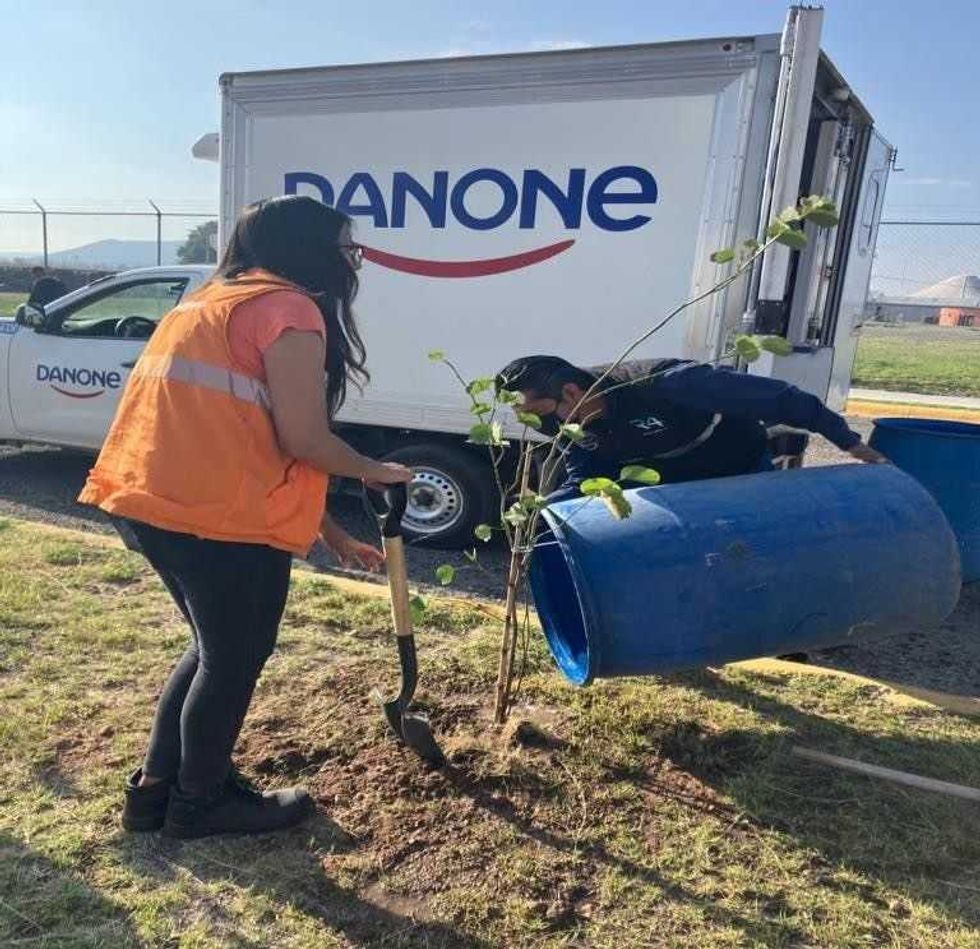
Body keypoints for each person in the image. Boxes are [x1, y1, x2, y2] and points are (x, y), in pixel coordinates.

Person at [78, 195, 412, 839]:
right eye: (347, 246)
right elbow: (304, 441)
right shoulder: (287, 309)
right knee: (232, 659)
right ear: (308, 248)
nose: (354, 259)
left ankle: (153, 796)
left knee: (212, 650)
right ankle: (202, 803)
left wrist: (329, 530)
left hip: (155, 503)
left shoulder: (206, 300)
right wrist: (378, 470)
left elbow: (243, 433)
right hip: (216, 521)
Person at [495, 355, 887, 501]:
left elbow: (783, 400)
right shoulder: (572, 423)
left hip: (737, 464)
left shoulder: (667, 384)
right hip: (670, 484)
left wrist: (850, 443)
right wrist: (545, 511)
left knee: (755, 548)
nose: (545, 426)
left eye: (545, 413)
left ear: (570, 390)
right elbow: (585, 476)